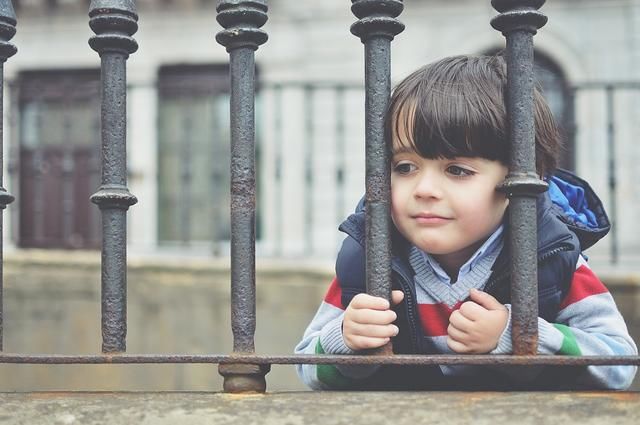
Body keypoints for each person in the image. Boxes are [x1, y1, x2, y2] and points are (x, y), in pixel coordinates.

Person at [295, 54, 637, 390]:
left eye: (457, 170)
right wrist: (343, 341)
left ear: (519, 181)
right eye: (405, 167)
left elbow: (619, 363)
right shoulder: (369, 257)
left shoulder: (551, 256)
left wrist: (520, 335)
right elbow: (305, 364)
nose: (424, 189)